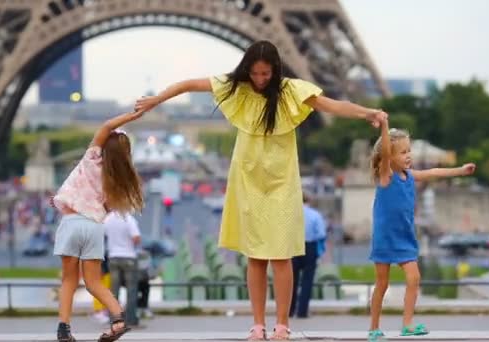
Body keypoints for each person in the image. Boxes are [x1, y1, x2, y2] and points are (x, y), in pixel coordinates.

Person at [135, 40, 387, 340]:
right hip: (248, 178)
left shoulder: (292, 90)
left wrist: (367, 112)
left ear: (276, 70)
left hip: (281, 180)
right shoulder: (236, 86)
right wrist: (155, 100)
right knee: (255, 256)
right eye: (254, 73)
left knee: (281, 256)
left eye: (266, 74)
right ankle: (257, 324)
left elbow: (330, 104)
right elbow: (189, 84)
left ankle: (282, 324)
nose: (260, 80)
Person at [367, 118, 476, 341]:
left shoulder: (411, 176)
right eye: (402, 152)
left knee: (414, 278)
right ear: (389, 156)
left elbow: (435, 172)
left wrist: (461, 171)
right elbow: (386, 151)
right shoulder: (386, 176)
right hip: (386, 238)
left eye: (409, 150)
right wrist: (385, 126)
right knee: (382, 284)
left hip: (405, 236)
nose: (408, 155)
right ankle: (374, 328)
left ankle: (407, 324)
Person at [51, 110, 145, 342]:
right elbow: (110, 207)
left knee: (69, 280)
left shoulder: (91, 158)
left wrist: (132, 116)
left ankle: (64, 329)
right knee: (93, 282)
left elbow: (105, 125)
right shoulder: (118, 179)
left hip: (72, 222)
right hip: (94, 227)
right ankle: (119, 318)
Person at [290, 193, 326, 318]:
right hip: (310, 247)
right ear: (308, 200)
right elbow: (321, 234)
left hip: (294, 247)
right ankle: (302, 311)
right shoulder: (315, 215)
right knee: (307, 281)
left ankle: (289, 310)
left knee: (291, 281)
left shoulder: (291, 214)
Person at [104, 211, 142, 328]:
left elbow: (103, 234)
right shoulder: (128, 218)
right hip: (129, 257)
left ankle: (114, 318)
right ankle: (130, 319)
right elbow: (136, 238)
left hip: (113, 257)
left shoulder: (108, 219)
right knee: (131, 290)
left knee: (114, 291)